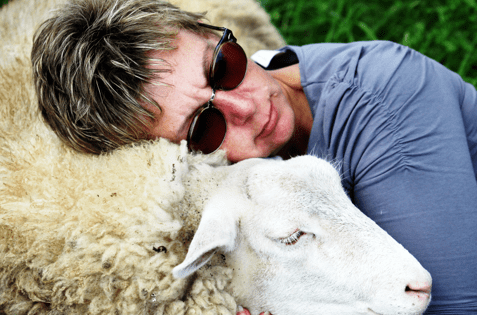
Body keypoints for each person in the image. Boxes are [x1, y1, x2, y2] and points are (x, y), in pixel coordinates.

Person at [31, 0, 477, 313]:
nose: (247, 106)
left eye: (223, 66)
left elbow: (450, 307)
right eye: (204, 128)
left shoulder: (388, 101)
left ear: (214, 32)